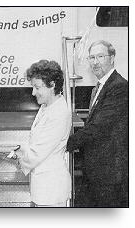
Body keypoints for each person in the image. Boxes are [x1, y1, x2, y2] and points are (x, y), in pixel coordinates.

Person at [67, 40, 128, 207]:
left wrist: (67, 143)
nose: (95, 62)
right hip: (97, 169)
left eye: (100, 56)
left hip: (110, 172)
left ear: (112, 58)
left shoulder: (119, 87)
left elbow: (98, 127)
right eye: (91, 57)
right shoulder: (98, 87)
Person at [16, 60, 72, 207]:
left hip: (51, 189)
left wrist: (18, 156)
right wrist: (19, 149)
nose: (33, 92)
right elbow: (35, 141)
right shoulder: (47, 106)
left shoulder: (58, 113)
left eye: (37, 87)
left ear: (52, 84)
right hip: (43, 187)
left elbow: (37, 152)